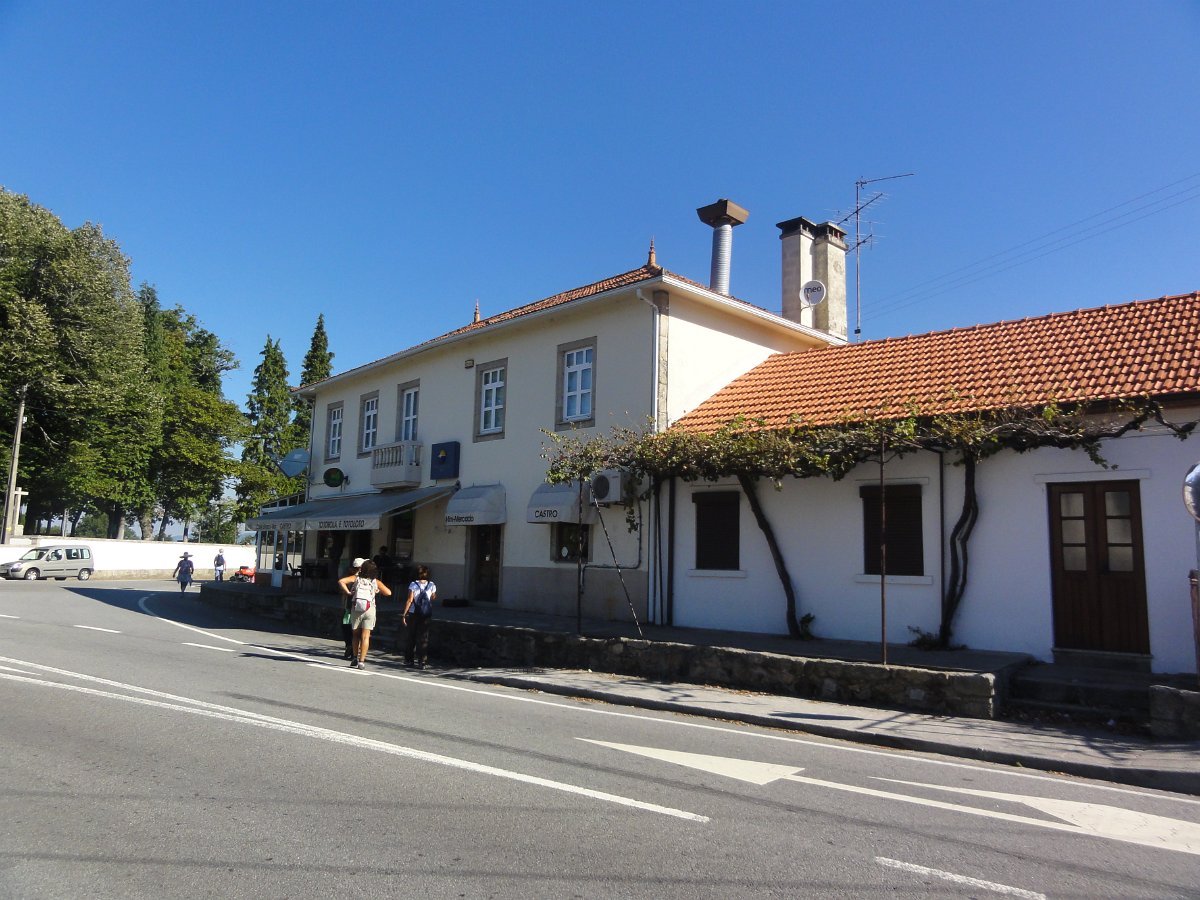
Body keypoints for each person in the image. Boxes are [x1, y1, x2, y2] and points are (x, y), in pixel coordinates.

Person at [338, 559, 391, 669]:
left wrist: (348, 592)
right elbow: (388, 592)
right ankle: (362, 661)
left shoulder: (356, 578)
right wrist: (377, 591)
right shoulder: (375, 581)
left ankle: (354, 657)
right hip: (369, 609)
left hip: (356, 608)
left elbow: (341, 581)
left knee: (355, 635)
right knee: (365, 636)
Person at [402, 564, 437, 669]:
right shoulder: (431, 584)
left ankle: (409, 660)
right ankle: (422, 662)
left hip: (414, 612)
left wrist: (404, 614)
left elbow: (410, 600)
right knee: (423, 637)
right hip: (425, 613)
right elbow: (433, 597)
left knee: (411, 636)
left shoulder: (413, 584)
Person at [338, 557, 365, 659]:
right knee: (358, 630)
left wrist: (347, 594)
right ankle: (356, 651)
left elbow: (343, 591)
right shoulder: (365, 578)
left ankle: (349, 645)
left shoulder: (350, 577)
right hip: (361, 608)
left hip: (349, 606)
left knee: (346, 626)